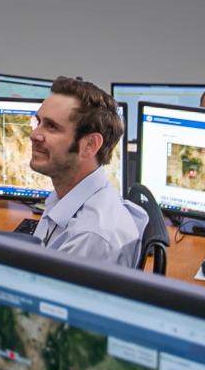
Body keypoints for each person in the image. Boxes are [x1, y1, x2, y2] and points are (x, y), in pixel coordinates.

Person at [27, 77, 147, 267]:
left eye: (51, 126)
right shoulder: (67, 195)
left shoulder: (90, 237)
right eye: (38, 122)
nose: (34, 135)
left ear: (90, 145)